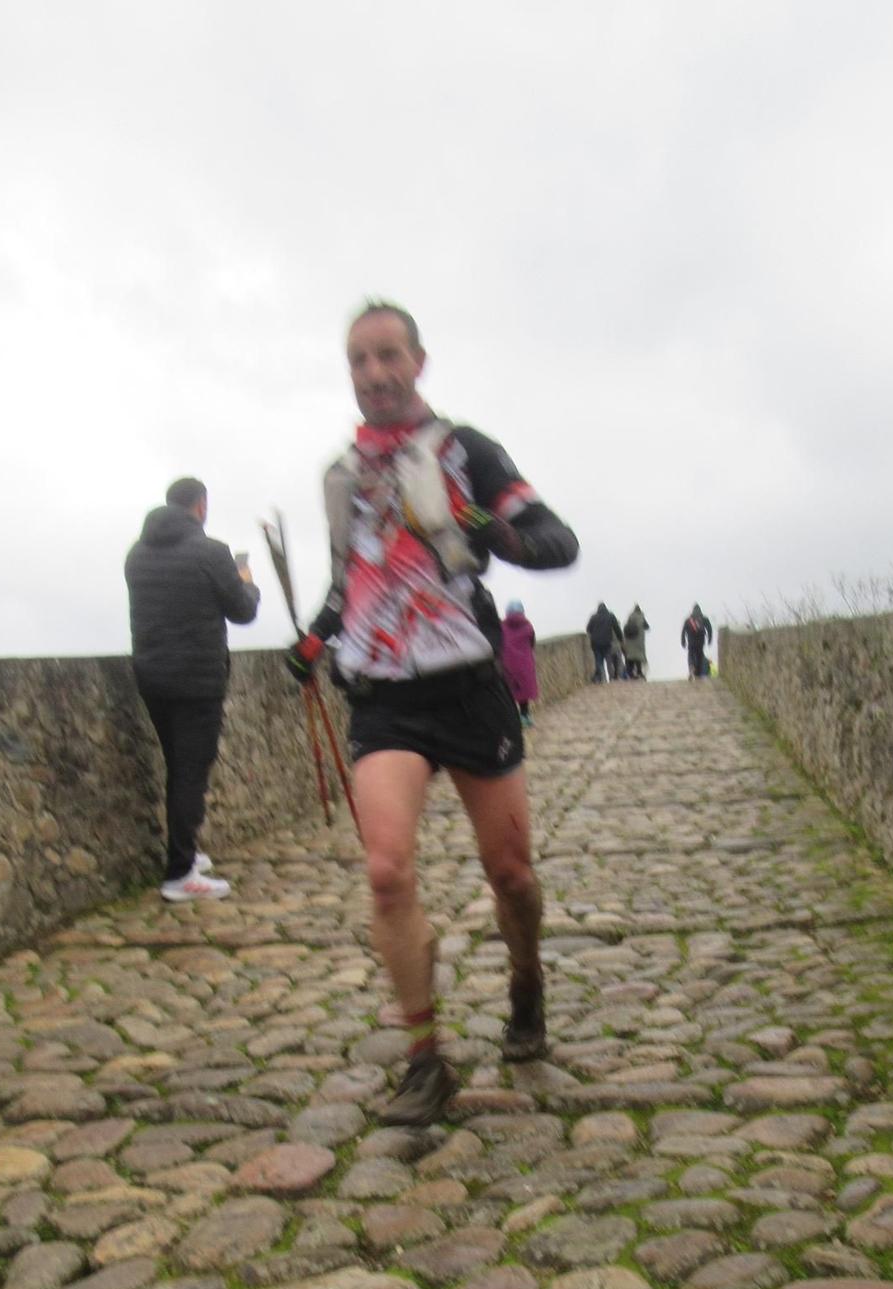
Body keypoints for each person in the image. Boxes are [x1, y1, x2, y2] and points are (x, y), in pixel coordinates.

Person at [284, 300, 579, 1125]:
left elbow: (557, 543)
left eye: (387, 356)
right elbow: (351, 584)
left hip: (468, 684)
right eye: (358, 361)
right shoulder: (342, 476)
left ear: (418, 361)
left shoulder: (465, 451)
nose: (374, 374)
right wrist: (315, 639)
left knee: (511, 876)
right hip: (383, 695)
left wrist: (473, 523)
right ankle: (424, 1057)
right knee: (385, 871)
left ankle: (525, 981)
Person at [125, 477, 259, 900]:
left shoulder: (137, 555)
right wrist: (246, 580)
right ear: (201, 506)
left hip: (152, 676)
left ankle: (186, 854)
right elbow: (242, 611)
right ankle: (180, 874)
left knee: (177, 767)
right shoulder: (211, 552)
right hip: (198, 680)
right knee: (190, 774)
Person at [501, 600, 539, 724]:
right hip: (525, 663)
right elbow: (532, 642)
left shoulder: (502, 626)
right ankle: (525, 716)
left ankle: (515, 719)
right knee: (524, 692)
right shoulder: (528, 626)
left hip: (508, 664)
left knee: (510, 692)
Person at [586, 602, 622, 683]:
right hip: (607, 642)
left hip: (596, 643)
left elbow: (588, 629)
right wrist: (620, 638)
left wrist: (594, 633)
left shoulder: (594, 617)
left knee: (598, 660)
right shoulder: (611, 616)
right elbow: (616, 628)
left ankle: (599, 677)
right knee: (609, 660)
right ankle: (611, 677)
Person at [681, 602, 713, 679]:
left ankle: (691, 667)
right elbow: (709, 629)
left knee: (691, 654)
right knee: (700, 656)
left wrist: (683, 641)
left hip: (691, 642)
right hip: (701, 642)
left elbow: (683, 631)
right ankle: (698, 673)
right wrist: (709, 639)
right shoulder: (704, 619)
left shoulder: (688, 620)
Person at [623, 604, 650, 679]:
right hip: (639, 640)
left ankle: (630, 672)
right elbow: (647, 627)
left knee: (630, 657)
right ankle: (639, 672)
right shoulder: (641, 617)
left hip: (630, 640)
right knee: (638, 657)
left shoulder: (630, 617)